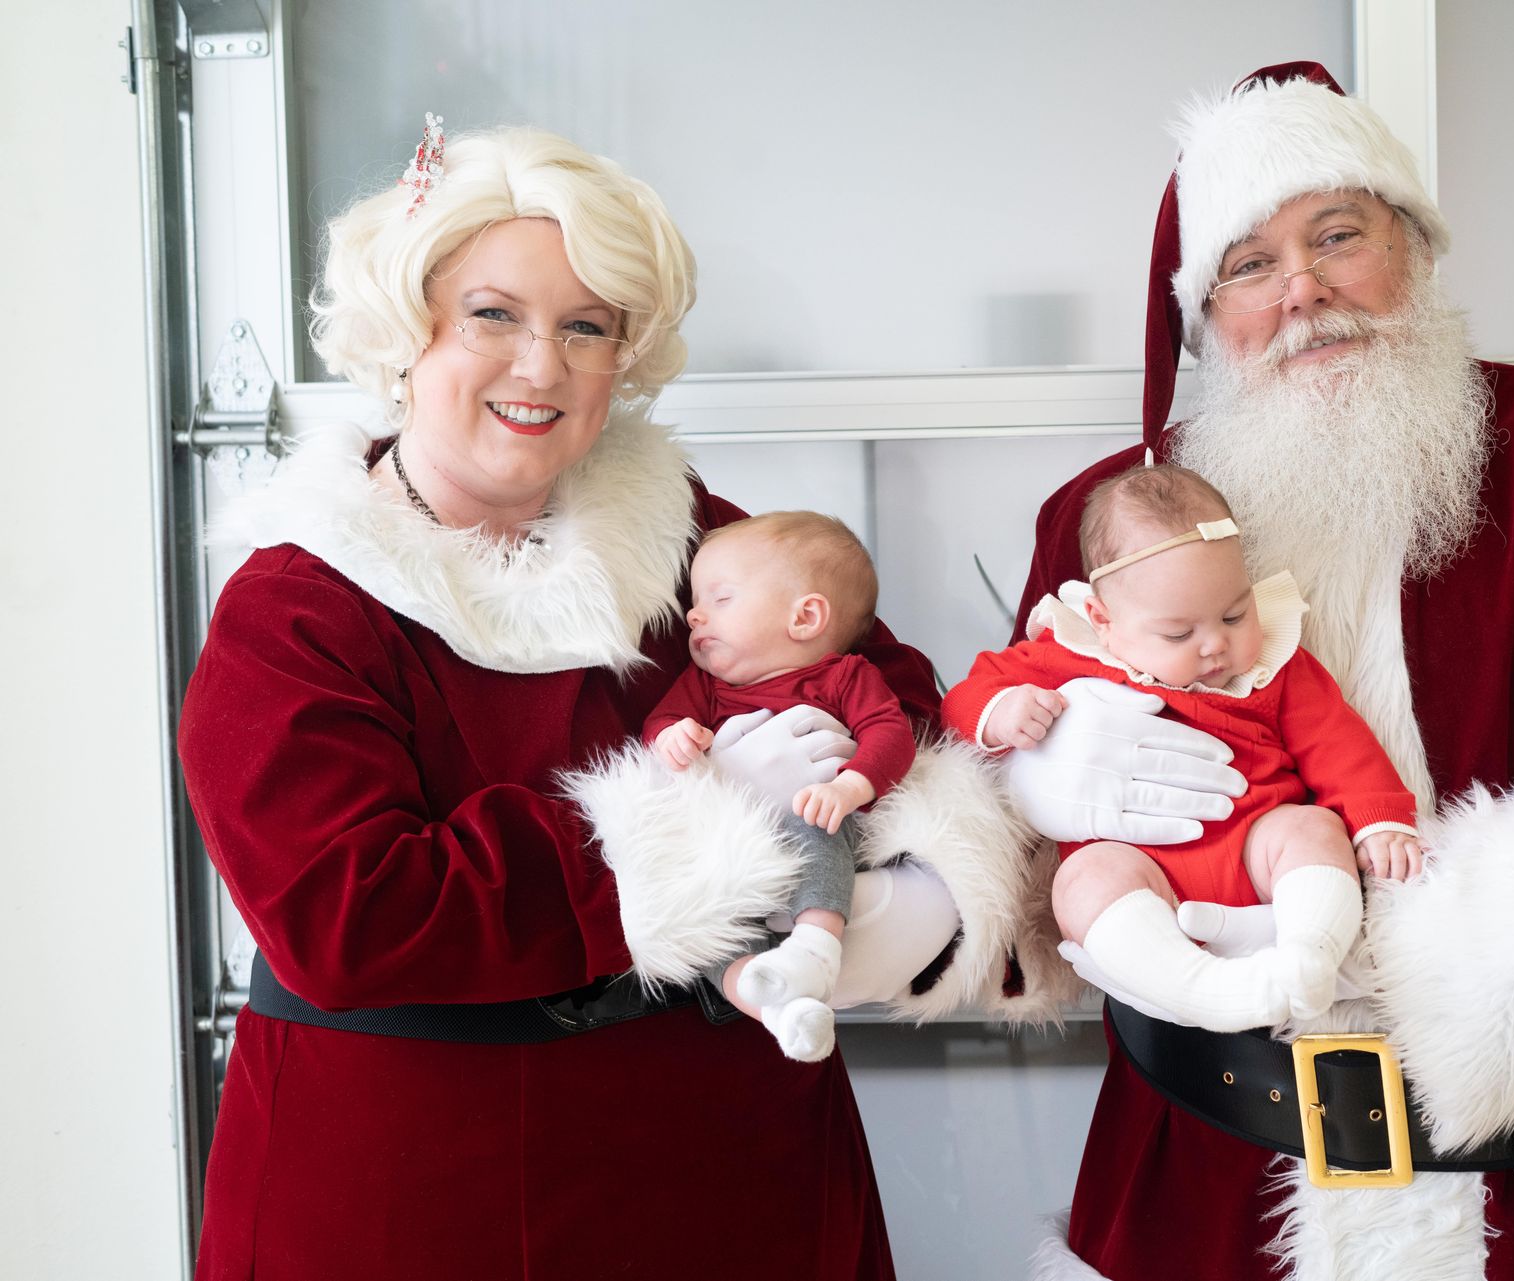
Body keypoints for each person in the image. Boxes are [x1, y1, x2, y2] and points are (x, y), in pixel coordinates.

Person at [176, 118, 1043, 1281]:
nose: (542, 368)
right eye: (495, 315)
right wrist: (687, 820)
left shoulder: (672, 523)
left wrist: (903, 860)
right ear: (405, 330)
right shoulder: (298, 604)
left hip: (732, 1179)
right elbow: (349, 915)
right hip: (422, 1195)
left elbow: (875, 676)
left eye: (586, 329)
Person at [1006, 65, 1514, 1280]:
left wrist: (1375, 955)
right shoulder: (1107, 521)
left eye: (1337, 236)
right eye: (1249, 265)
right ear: (1204, 317)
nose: (1305, 291)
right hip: (1213, 1176)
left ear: (1414, 251)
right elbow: (1025, 875)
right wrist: (1039, 785)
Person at [943, 464, 1421, 1034]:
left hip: (1257, 848)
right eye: (1178, 634)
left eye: (1234, 613)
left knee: (1312, 829)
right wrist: (1001, 714)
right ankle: (1202, 992)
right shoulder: (1069, 648)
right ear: (1103, 619)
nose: (1216, 644)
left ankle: (1310, 955)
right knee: (1084, 882)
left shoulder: (1273, 665)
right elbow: (968, 696)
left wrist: (1380, 818)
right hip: (1142, 870)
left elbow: (1335, 738)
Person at [647, 511, 918, 1062]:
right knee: (702, 932)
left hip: (821, 825)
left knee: (813, 821)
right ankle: (776, 1007)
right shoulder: (703, 684)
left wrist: (848, 788)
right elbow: (659, 722)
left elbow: (892, 734)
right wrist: (672, 737)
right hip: (734, 852)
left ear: (805, 616)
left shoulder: (843, 676)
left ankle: (816, 947)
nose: (693, 614)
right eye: (697, 602)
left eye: (720, 599)